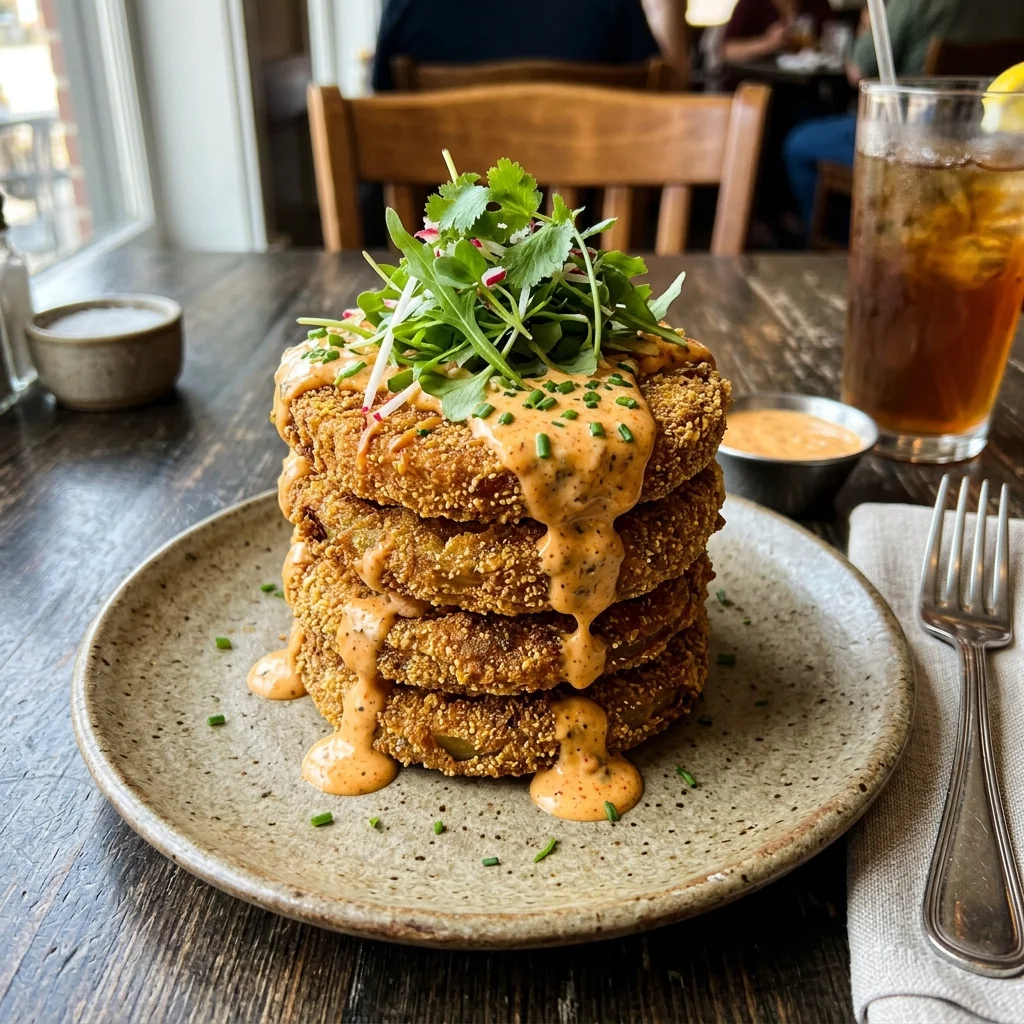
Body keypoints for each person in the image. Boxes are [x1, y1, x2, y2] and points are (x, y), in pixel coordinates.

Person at [783, 0, 1024, 237]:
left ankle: (839, 242)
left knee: (799, 143)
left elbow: (857, 72)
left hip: (914, 135)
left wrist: (866, 27)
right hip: (988, 141)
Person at [372, 0, 659, 91]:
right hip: (588, 229)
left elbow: (382, 107)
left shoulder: (407, 5)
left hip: (443, 230)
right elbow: (657, 97)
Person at [722, 0, 833, 65]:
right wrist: (768, 43)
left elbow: (834, 38)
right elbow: (727, 51)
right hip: (755, 87)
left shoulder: (817, 4)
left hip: (804, 88)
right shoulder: (752, 3)